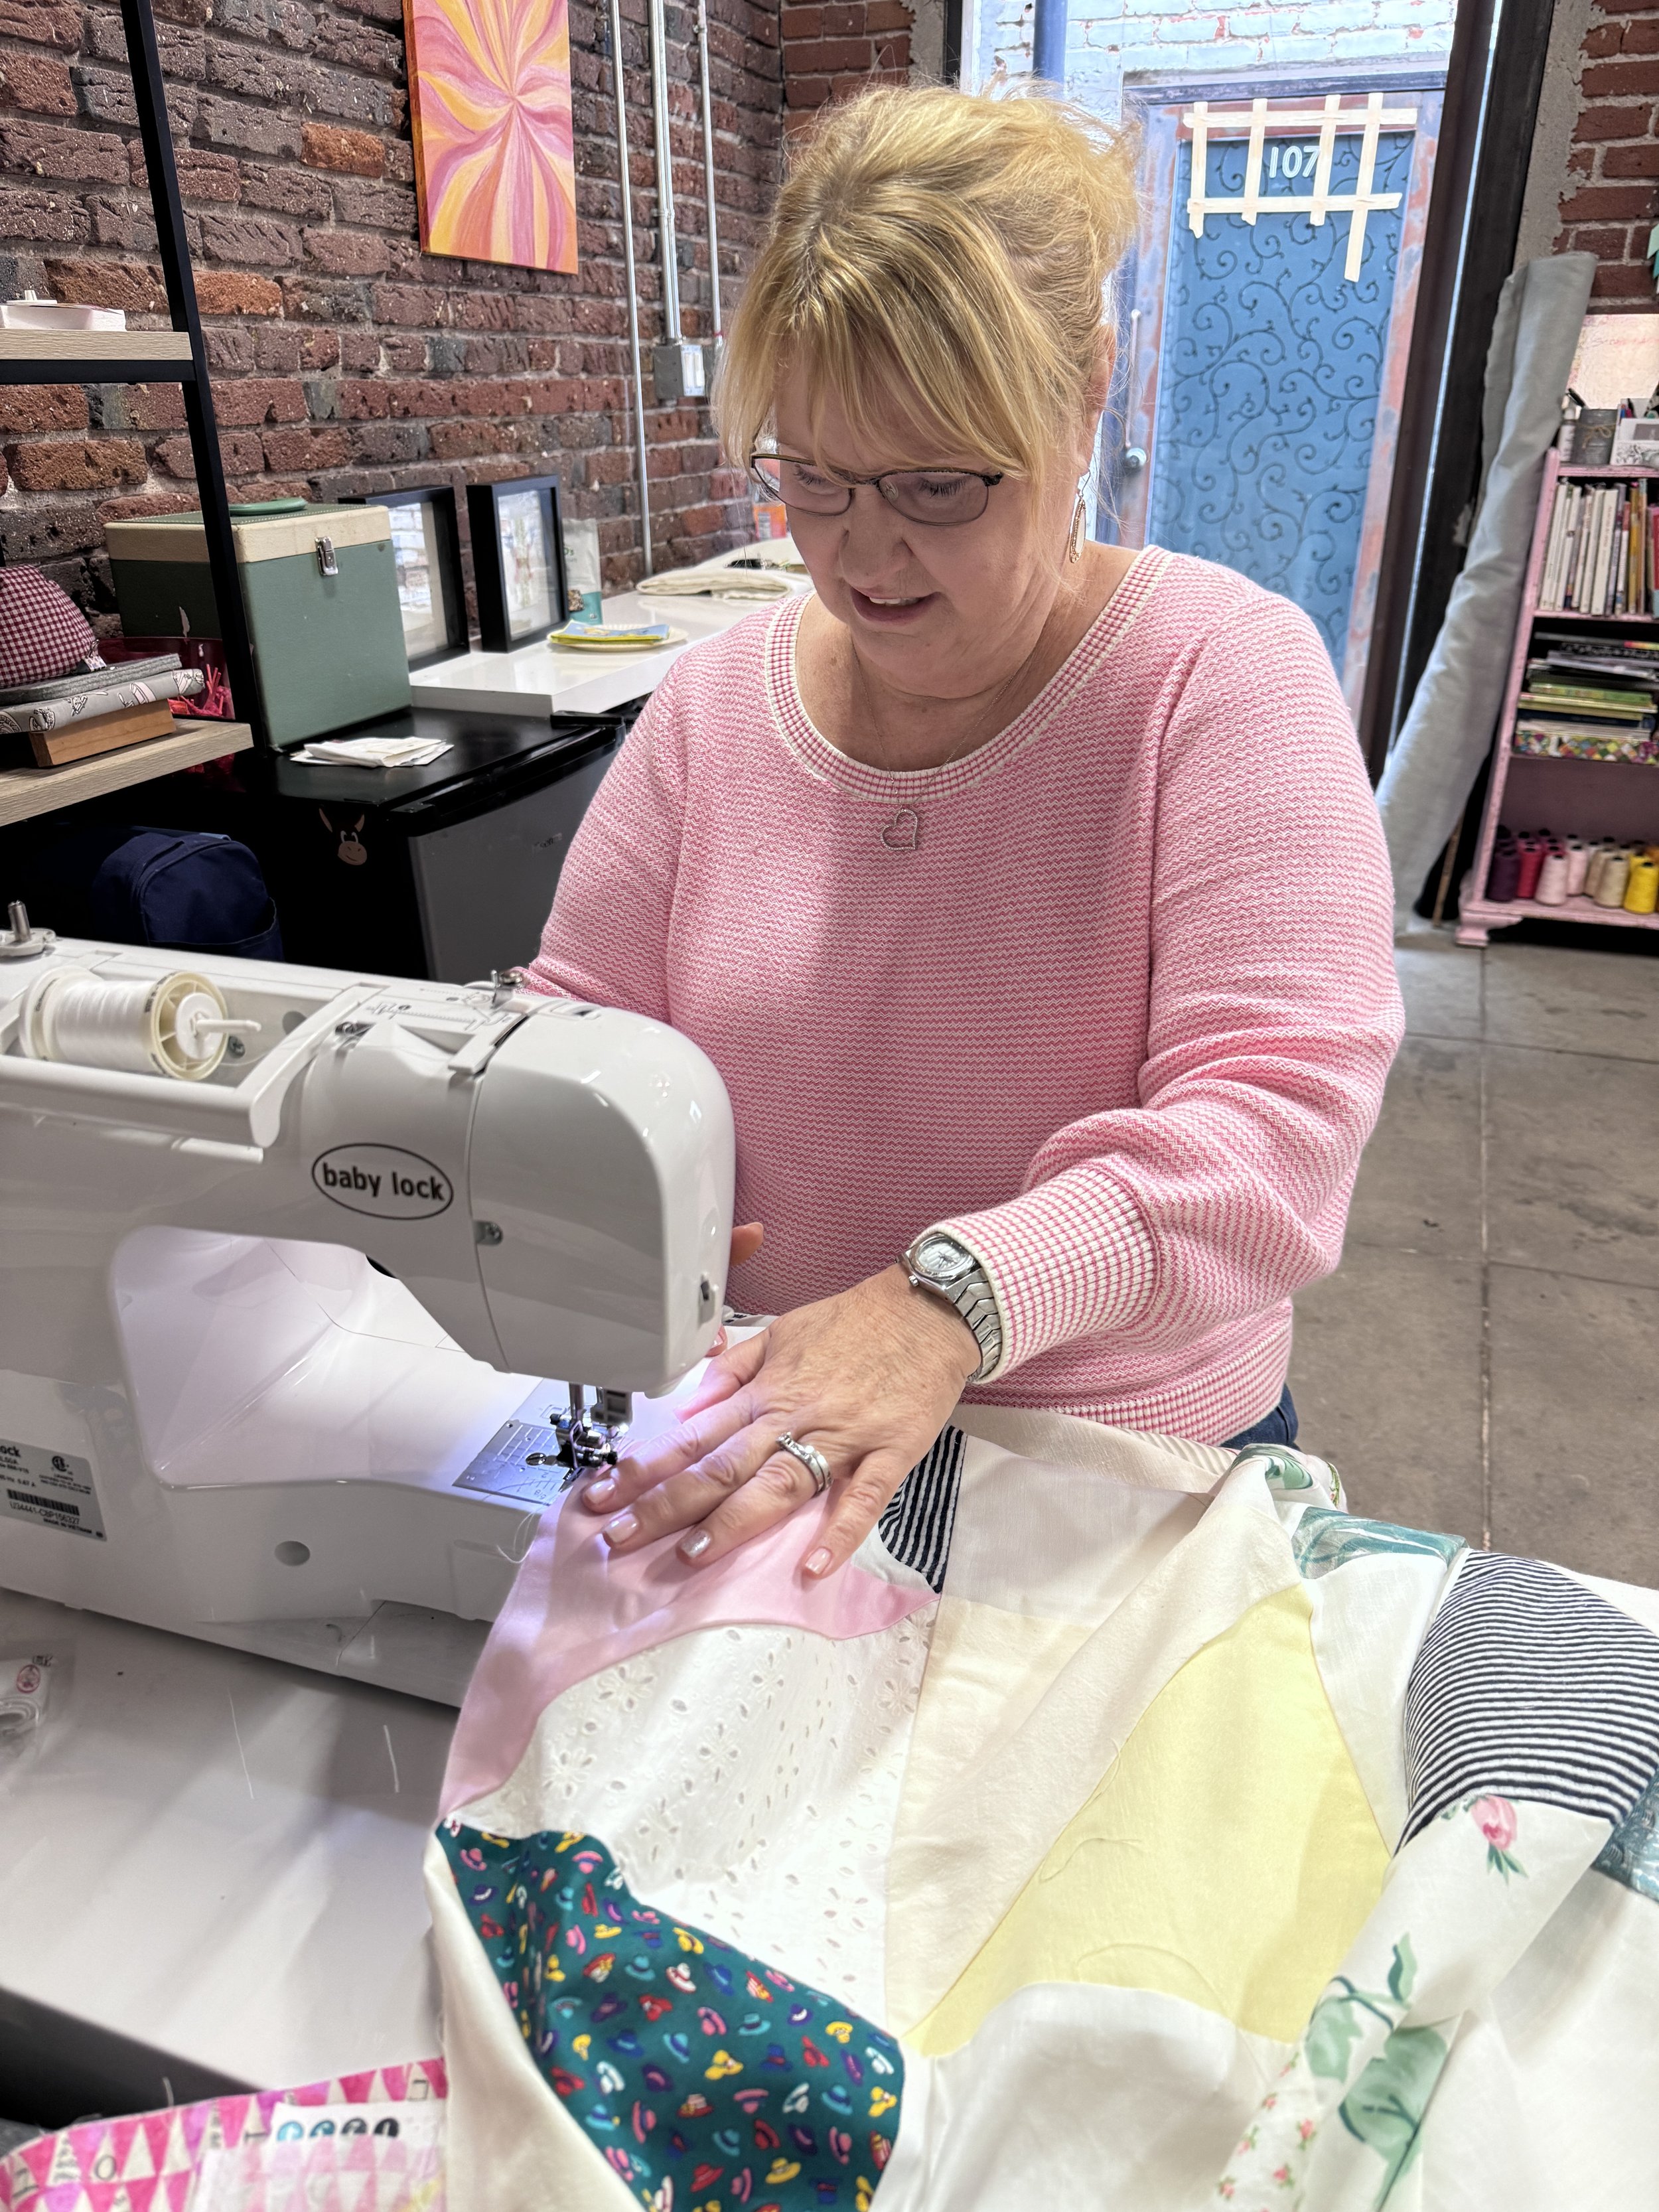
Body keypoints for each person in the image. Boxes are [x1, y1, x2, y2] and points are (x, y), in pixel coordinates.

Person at [526, 84, 1403, 1582]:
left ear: (1088, 399)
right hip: (778, 1410)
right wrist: (585, 1181)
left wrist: (947, 1301)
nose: (861, 550)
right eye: (810, 472)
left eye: (937, 482)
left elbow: (1274, 1134)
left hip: (1115, 1454)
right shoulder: (709, 703)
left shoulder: (1217, 679)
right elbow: (579, 1019)